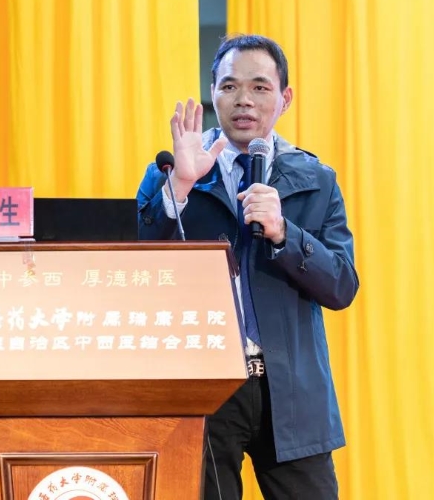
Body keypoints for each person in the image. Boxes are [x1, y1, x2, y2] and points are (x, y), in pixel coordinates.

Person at [136, 34, 360, 499]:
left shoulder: (316, 180)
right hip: (205, 386)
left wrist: (284, 233)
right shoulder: (170, 173)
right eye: (229, 86)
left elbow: (341, 285)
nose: (244, 100)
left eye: (260, 87)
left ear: (285, 98)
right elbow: (136, 270)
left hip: (292, 389)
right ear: (212, 93)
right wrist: (180, 188)